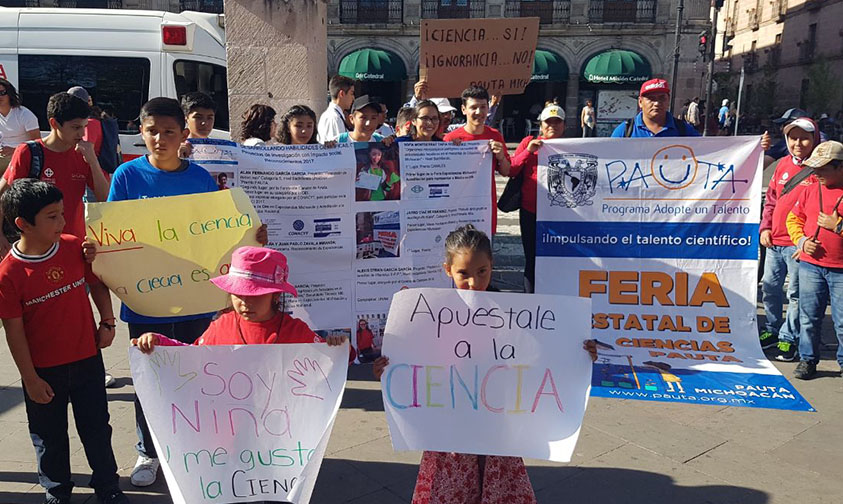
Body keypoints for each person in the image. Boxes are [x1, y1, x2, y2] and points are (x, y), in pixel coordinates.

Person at [372, 224, 598, 504]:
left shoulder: (514, 312)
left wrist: (578, 352)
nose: (473, 282)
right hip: (449, 428)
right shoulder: (432, 313)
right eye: (463, 274)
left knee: (498, 488)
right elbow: (413, 358)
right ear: (447, 270)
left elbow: (541, 353)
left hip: (498, 425)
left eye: (482, 272)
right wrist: (388, 368)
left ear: (492, 265)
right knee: (450, 490)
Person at [107, 97, 268, 487]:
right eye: (151, 131)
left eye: (168, 131)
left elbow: (216, 236)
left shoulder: (199, 179)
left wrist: (252, 238)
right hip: (147, 304)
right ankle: (150, 451)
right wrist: (96, 250)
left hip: (196, 302)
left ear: (183, 135)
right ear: (140, 131)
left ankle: (198, 446)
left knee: (199, 376)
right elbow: (112, 236)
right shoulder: (126, 177)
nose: (159, 139)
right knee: (153, 379)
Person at [0, 179, 128, 504]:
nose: (61, 222)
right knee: (49, 438)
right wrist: (29, 379)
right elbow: (13, 330)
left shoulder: (73, 246)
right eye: (52, 217)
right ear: (23, 224)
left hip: (87, 360)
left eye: (61, 214)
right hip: (45, 371)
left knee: (97, 428)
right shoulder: (9, 274)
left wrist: (108, 321)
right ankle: (56, 491)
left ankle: (108, 487)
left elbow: (97, 283)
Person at [131, 246, 346, 349]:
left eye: (255, 295)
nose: (245, 302)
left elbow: (331, 360)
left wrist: (339, 346)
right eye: (238, 294)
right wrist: (159, 342)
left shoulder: (295, 331)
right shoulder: (220, 326)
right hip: (229, 424)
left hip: (280, 428)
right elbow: (192, 356)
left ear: (275, 296)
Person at [0, 92, 111, 257]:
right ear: (54, 123)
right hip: (36, 248)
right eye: (75, 127)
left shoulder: (84, 154)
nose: (82, 134)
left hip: (74, 245)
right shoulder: (29, 152)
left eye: (84, 127)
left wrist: (93, 163)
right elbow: (4, 193)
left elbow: (105, 199)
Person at [759, 117, 820, 361]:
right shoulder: (782, 165)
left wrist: (805, 241)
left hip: (798, 245)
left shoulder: (820, 169)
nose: (798, 143)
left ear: (814, 139)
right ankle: (772, 329)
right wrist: (765, 228)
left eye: (804, 138)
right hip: (774, 242)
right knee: (770, 289)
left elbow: (821, 208)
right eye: (793, 138)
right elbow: (771, 201)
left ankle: (788, 336)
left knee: (795, 293)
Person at [786, 141, 843, 380]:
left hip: (840, 270)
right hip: (811, 265)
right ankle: (807, 360)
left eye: (822, 168)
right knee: (808, 317)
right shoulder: (810, 189)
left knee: (842, 322)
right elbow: (793, 219)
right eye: (814, 168)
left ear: (840, 167)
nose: (816, 173)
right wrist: (801, 243)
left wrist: (837, 226)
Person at [508, 104, 566, 293]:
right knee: (531, 257)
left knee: (556, 256)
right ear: (540, 124)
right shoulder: (528, 141)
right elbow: (512, 169)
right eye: (548, 122)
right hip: (531, 211)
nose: (553, 126)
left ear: (564, 126)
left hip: (559, 214)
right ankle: (530, 296)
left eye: (557, 122)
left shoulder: (572, 145)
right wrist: (528, 152)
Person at [444, 86, 511, 234]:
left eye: (483, 107)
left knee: (484, 253)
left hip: (484, 208)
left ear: (488, 108)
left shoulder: (495, 136)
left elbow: (506, 171)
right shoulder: (451, 138)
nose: (479, 112)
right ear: (463, 109)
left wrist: (500, 157)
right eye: (473, 107)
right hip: (458, 208)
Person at [610, 79, 700, 138]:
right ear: (640, 102)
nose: (657, 103)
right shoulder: (625, 131)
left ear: (668, 100)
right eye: (651, 99)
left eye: (662, 98)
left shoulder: (684, 130)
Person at [0, 78, 40, 173]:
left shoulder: (24, 114)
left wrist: (15, 150)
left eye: (2, 92)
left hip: (21, 157)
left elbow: (37, 144)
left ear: (9, 94)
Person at [318, 75, 355, 143]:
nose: (353, 98)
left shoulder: (336, 116)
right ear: (342, 94)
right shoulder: (334, 118)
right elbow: (337, 148)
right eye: (351, 93)